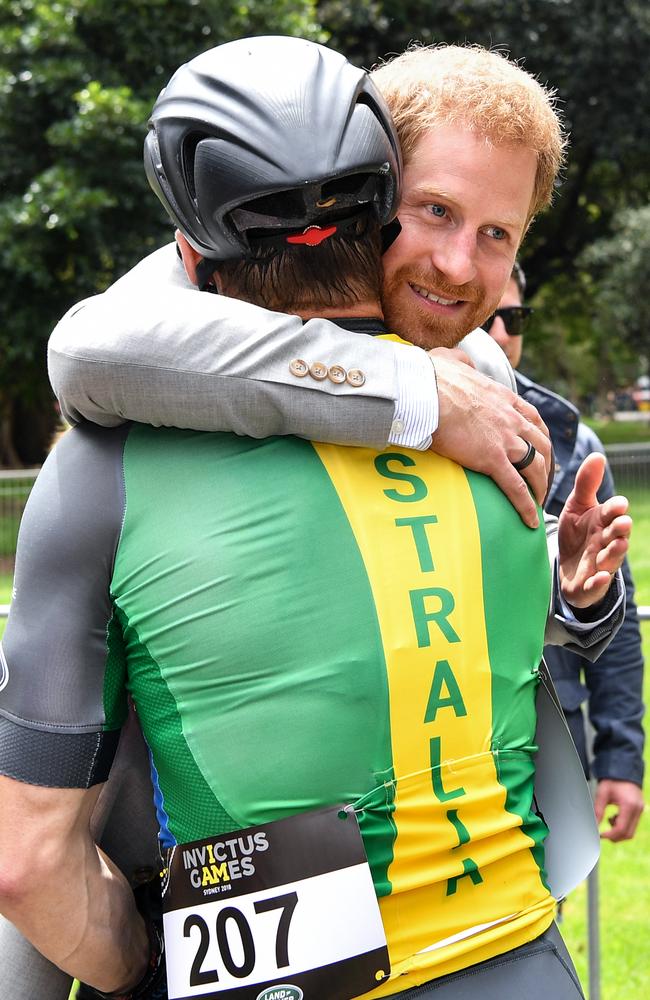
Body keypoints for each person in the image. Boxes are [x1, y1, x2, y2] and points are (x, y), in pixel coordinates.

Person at [0, 38, 632, 1000]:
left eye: (498, 234)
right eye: (434, 212)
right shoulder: (480, 415)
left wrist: (141, 969)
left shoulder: (495, 409)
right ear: (373, 194)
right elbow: (94, 347)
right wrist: (410, 389)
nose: (459, 264)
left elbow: (28, 860)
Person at [485, 262, 645, 841]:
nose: (501, 334)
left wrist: (623, 759)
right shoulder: (401, 416)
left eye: (514, 317)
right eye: (486, 315)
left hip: (550, 745)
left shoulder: (573, 438)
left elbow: (614, 616)